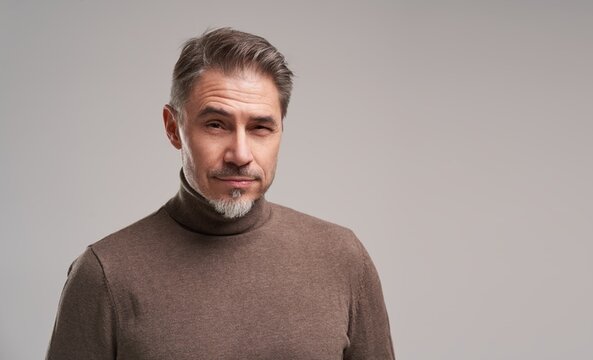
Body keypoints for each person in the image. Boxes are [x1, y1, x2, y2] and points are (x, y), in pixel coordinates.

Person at [46, 27, 395, 359]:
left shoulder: (343, 258)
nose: (240, 154)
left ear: (281, 132)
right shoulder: (105, 273)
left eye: (260, 127)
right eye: (216, 125)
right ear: (174, 129)